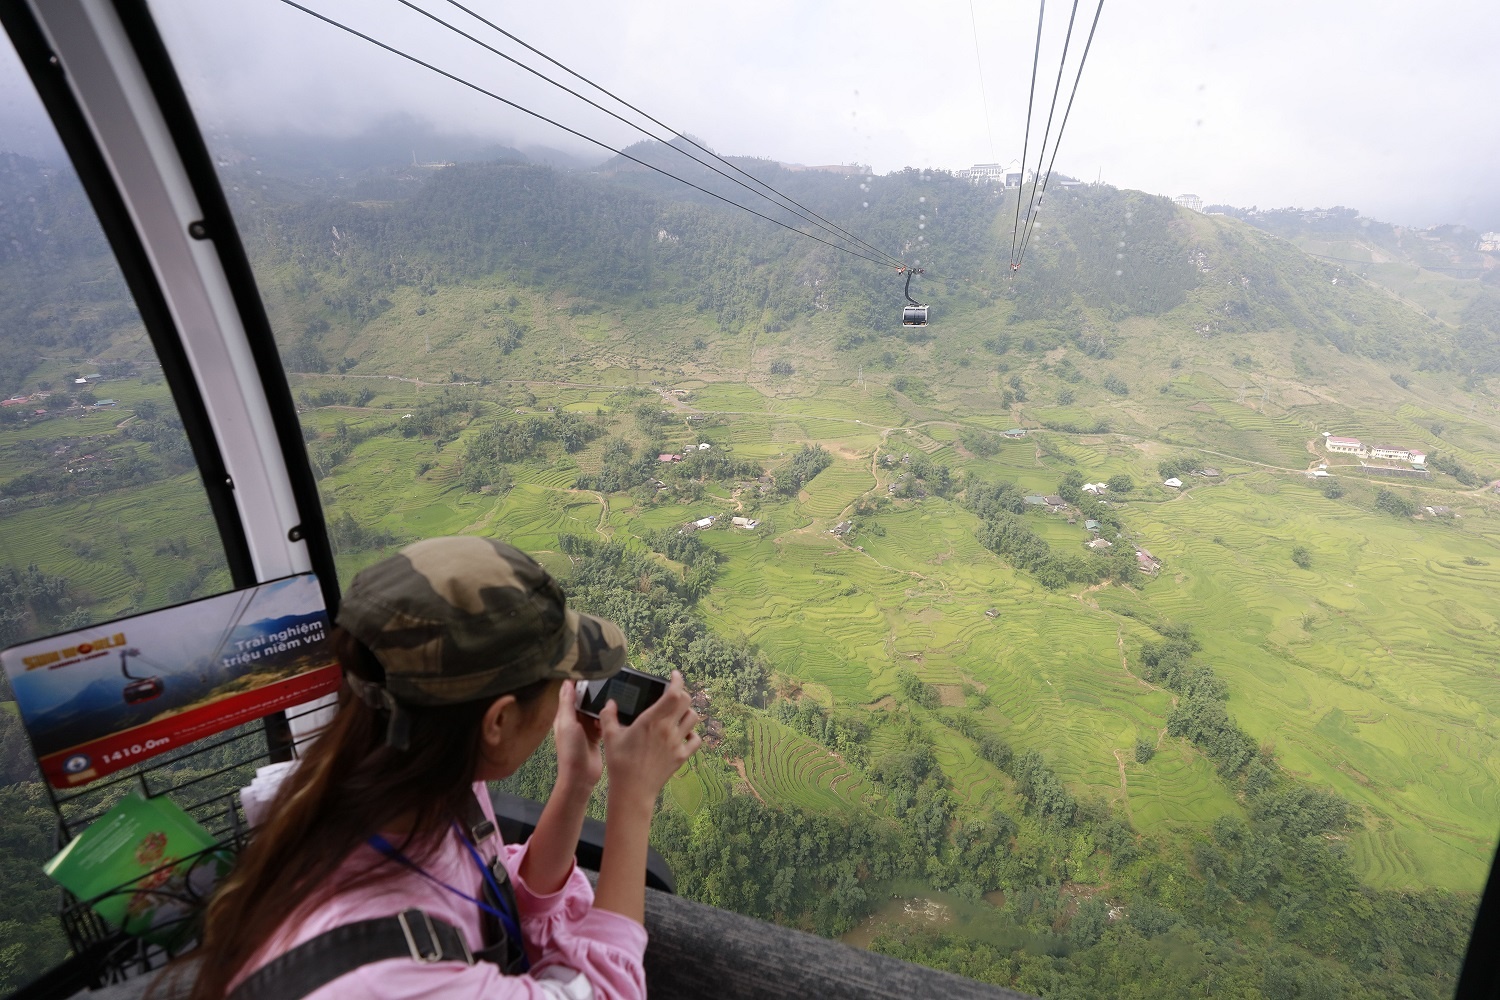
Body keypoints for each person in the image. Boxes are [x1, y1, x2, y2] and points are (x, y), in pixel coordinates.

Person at [185, 536, 701, 999]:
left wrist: (575, 784)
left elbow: (495, 901)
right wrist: (633, 799)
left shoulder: (412, 785)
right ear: (497, 721)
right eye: (556, 680)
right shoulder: (385, 983)